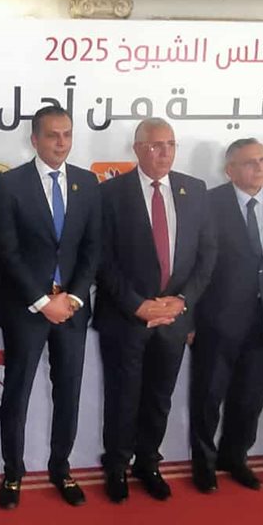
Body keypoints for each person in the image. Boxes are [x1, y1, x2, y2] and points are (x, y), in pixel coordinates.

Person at [95, 118, 215, 503]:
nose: (164, 152)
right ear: (137, 149)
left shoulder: (195, 190)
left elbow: (207, 255)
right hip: (126, 318)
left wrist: (182, 301)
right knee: (122, 397)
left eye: (170, 144)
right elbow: (102, 259)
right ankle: (117, 466)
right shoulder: (110, 193)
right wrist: (138, 305)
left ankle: (148, 463)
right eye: (155, 145)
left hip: (174, 318)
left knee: (159, 397)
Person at [0, 106, 101, 509]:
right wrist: (41, 301)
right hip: (26, 308)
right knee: (16, 393)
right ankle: (13, 472)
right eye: (53, 135)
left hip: (71, 309)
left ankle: (61, 468)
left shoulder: (87, 183)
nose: (61, 142)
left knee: (68, 392)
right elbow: (6, 250)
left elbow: (93, 248)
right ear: (34, 139)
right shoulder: (11, 184)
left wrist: (73, 297)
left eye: (67, 134)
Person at [189, 137, 263, 492]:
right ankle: (204, 463)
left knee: (250, 398)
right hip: (217, 319)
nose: (259, 167)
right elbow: (193, 262)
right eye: (249, 162)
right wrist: (190, 318)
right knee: (208, 398)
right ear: (230, 170)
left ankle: (235, 457)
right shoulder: (208, 203)